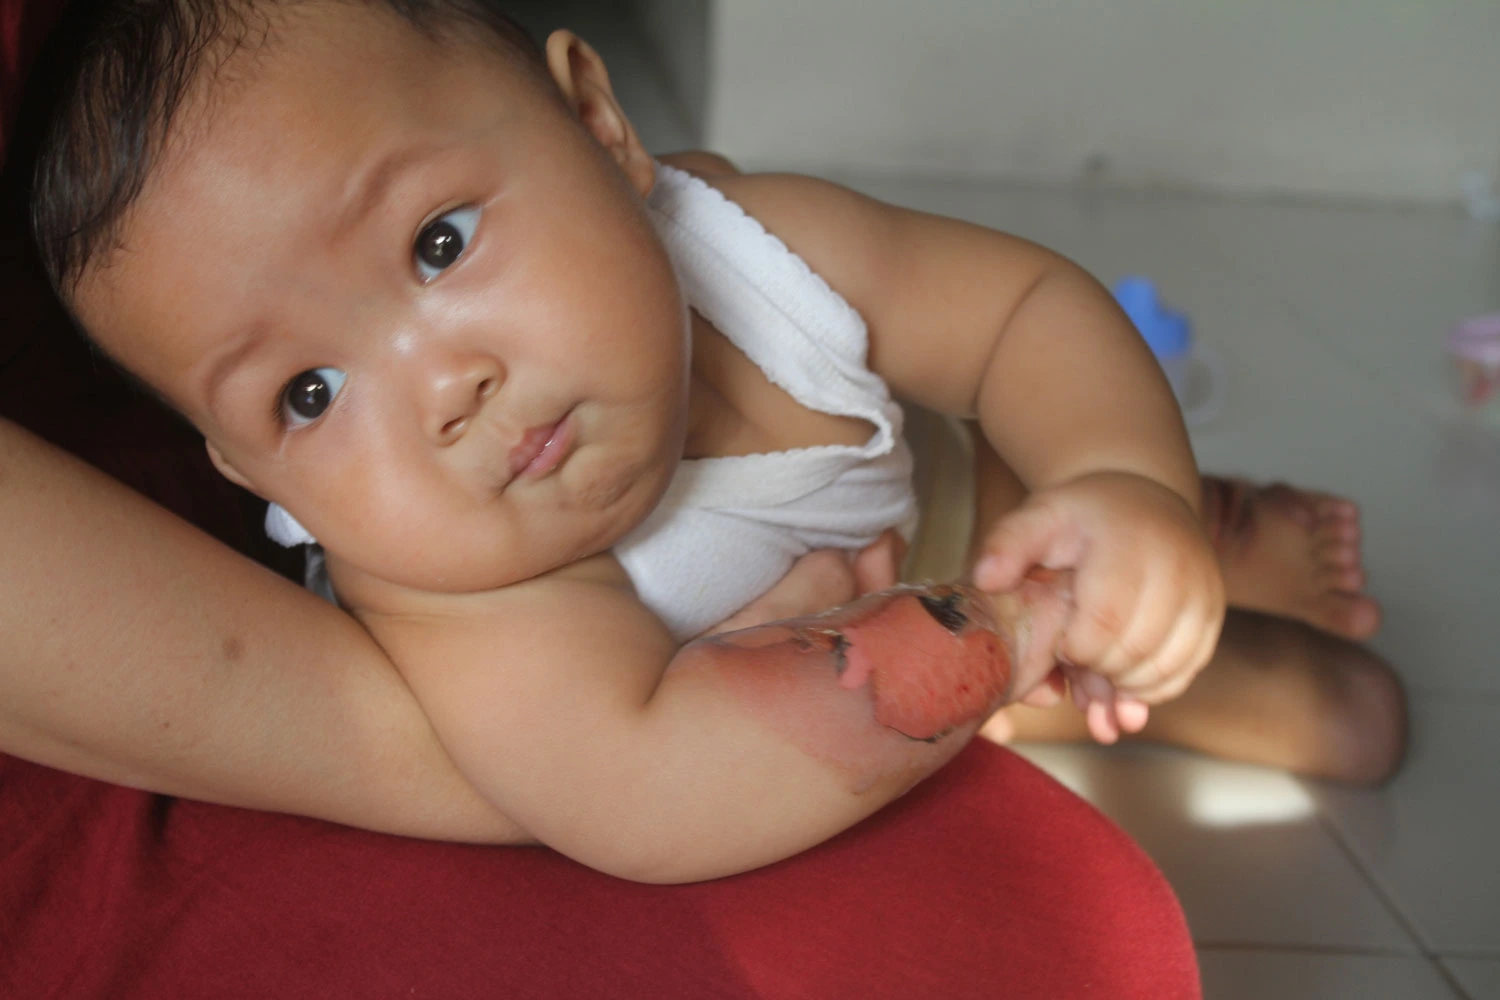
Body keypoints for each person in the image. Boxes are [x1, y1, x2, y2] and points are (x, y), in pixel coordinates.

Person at [21, 0, 1231, 883]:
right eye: (307, 392)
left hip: (934, 511)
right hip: (899, 646)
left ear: (599, 125)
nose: (443, 390)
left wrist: (1119, 473)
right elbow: (653, 798)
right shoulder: (465, 597)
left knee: (1072, 493)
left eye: (437, 244)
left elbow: (1019, 312)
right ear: (247, 469)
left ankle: (1188, 536)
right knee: (1069, 622)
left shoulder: (762, 246)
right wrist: (1013, 639)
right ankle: (1198, 654)